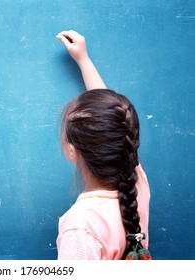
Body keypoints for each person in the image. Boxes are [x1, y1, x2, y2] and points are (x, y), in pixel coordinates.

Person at [55, 30, 151, 260]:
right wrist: (83, 60)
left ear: (72, 151)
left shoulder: (80, 229)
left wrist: (83, 59)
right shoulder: (137, 185)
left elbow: (112, 120)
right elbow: (112, 118)